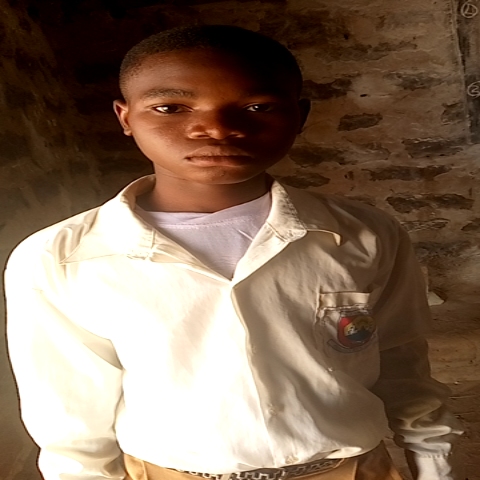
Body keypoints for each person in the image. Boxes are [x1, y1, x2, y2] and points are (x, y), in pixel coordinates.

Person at [5, 25, 464, 480]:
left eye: (257, 107)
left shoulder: (365, 235)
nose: (216, 128)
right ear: (126, 118)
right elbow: (67, 413)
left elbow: (402, 363)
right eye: (170, 107)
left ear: (299, 115)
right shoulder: (61, 258)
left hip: (351, 470)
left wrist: (433, 465)